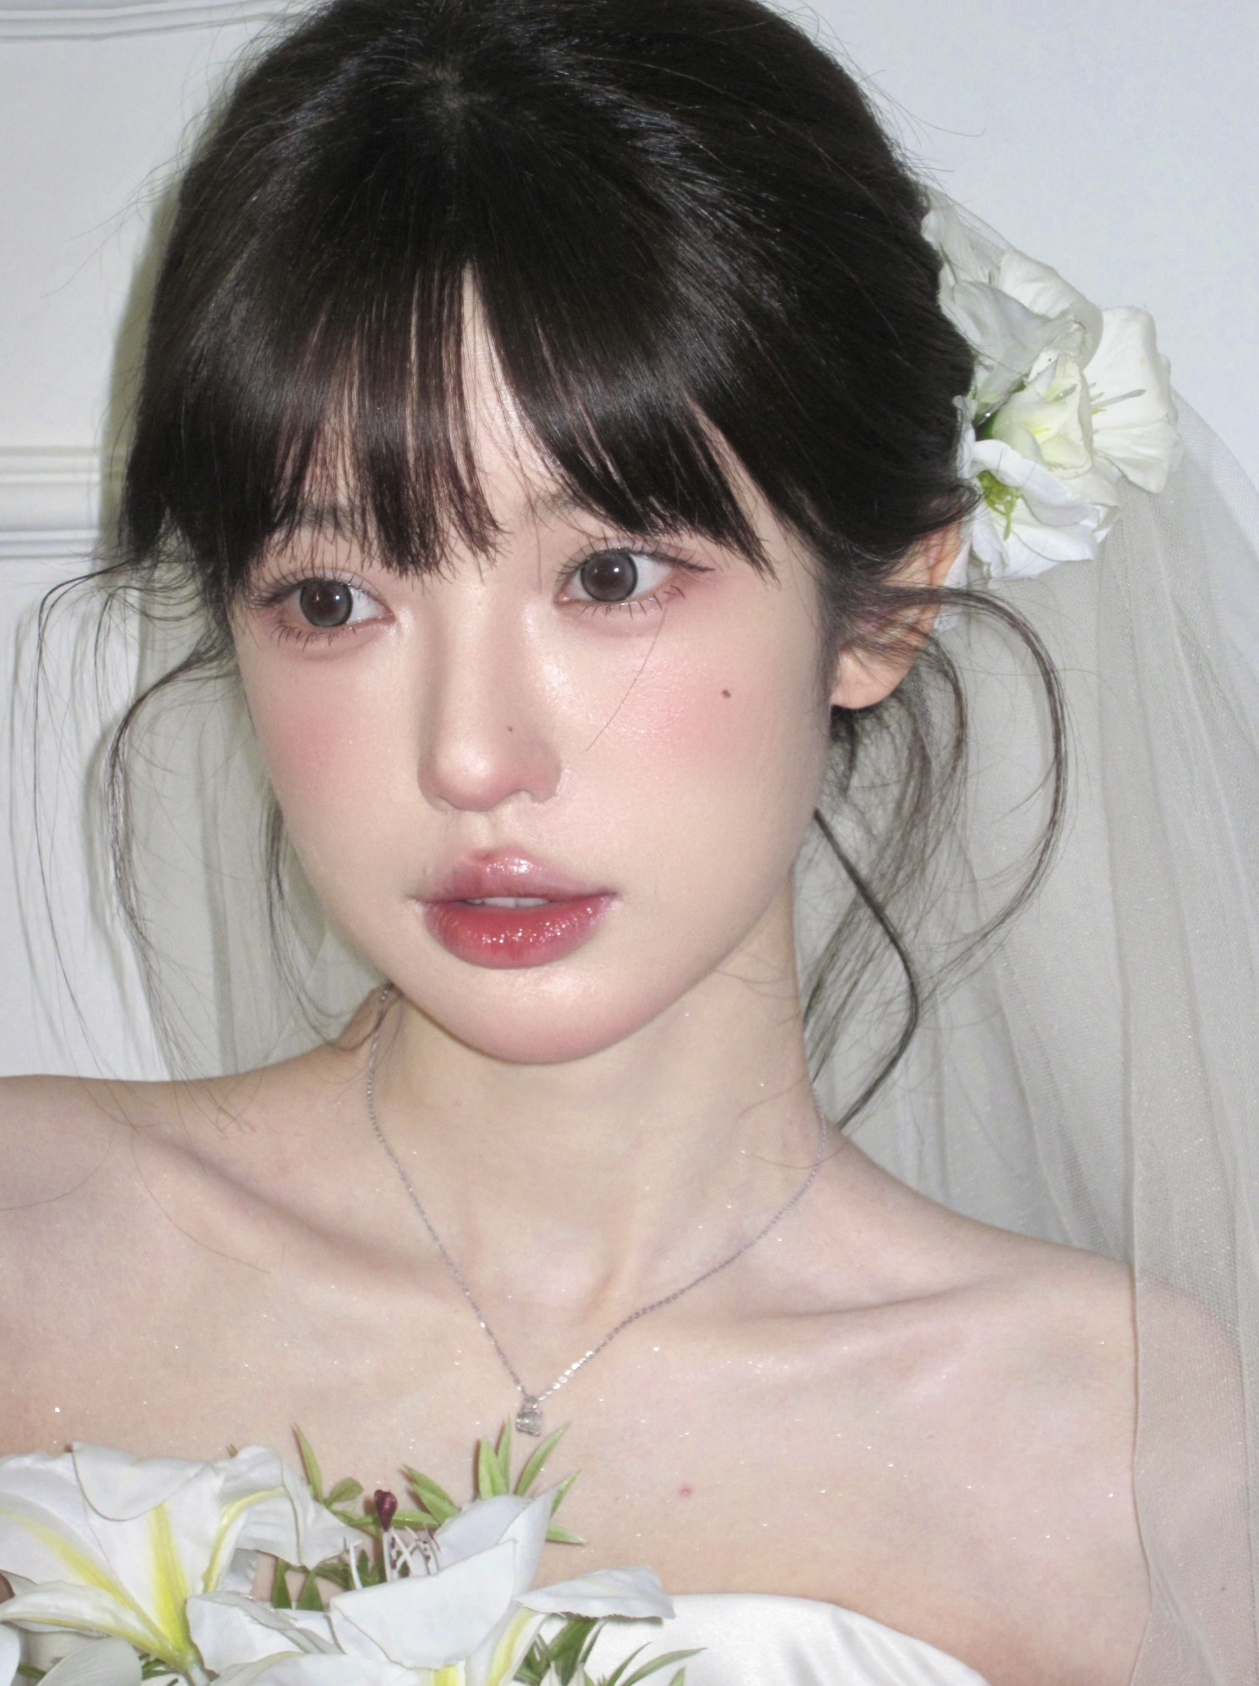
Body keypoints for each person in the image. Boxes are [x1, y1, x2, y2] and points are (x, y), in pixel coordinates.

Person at [2, 0, 1258, 1681]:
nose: (470, 755)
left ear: (886, 607)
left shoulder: (1104, 1441)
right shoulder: (30, 1248)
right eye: (332, 598)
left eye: (607, 576)